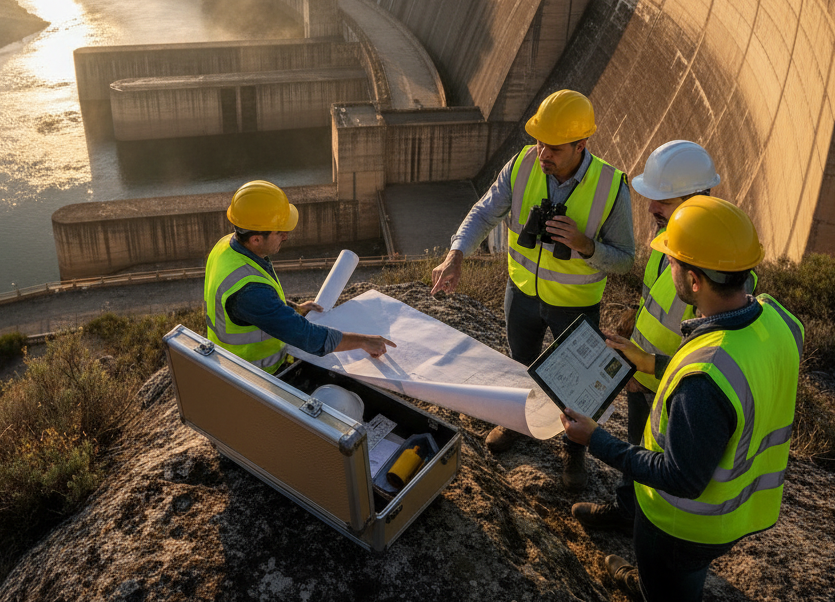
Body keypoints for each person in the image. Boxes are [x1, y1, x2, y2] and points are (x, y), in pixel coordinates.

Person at [560, 197, 804, 602]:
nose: (666, 266)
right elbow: (736, 376)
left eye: (671, 261)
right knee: (681, 580)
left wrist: (596, 439)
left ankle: (652, 589)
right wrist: (650, 362)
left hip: (681, 525)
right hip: (739, 510)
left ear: (693, 281)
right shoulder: (779, 320)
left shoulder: (704, 379)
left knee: (668, 587)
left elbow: (680, 477)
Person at [430, 89, 634, 489]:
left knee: (576, 386)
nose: (543, 153)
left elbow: (625, 259)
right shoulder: (523, 164)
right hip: (521, 294)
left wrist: (585, 245)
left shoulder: (612, 186)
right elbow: (485, 212)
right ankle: (517, 423)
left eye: (554, 147)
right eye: (540, 142)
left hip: (575, 306)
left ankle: (574, 452)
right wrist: (456, 254)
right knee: (519, 364)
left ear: (581, 145)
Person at [572, 140, 720, 533]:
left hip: (674, 391)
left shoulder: (717, 266)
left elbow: (712, 357)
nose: (651, 208)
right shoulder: (667, 239)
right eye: (651, 198)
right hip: (643, 375)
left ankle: (650, 531)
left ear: (697, 199)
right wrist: (633, 336)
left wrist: (650, 368)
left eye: (663, 201)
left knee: (663, 467)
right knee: (637, 450)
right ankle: (627, 511)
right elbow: (655, 299)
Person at [204, 179, 395, 374]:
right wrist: (363, 341)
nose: (286, 236)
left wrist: (295, 308)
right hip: (254, 375)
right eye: (280, 232)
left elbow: (260, 302)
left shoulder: (226, 246)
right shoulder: (250, 293)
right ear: (256, 239)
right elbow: (307, 337)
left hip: (231, 361)